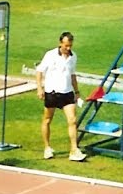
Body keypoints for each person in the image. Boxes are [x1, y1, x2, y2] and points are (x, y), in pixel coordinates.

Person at [36, 31, 87, 162]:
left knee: (72, 120)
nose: (68, 48)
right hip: (52, 93)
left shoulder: (73, 56)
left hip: (67, 93)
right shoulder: (50, 55)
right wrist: (39, 88)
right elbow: (39, 71)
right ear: (60, 43)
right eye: (66, 46)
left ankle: (74, 150)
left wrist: (76, 92)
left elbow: (72, 75)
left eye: (70, 45)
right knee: (47, 120)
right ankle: (47, 148)